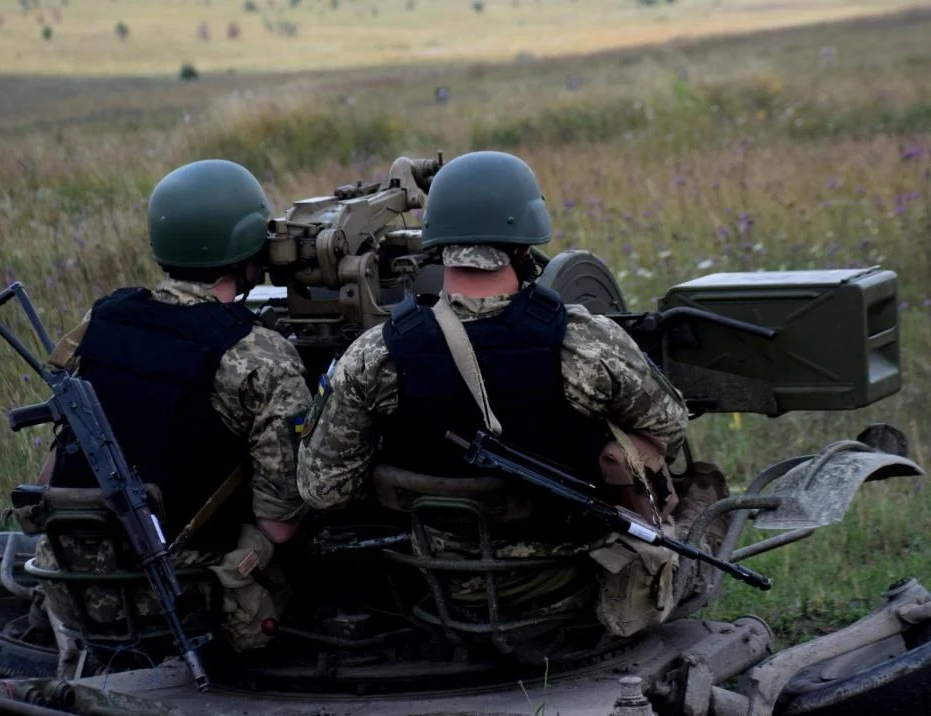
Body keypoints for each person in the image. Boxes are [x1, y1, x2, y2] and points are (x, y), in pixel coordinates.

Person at [296, 150, 696, 639]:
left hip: (434, 579)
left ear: (437, 245)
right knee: (694, 480)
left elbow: (323, 490)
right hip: (567, 572)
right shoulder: (585, 341)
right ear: (525, 248)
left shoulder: (375, 354)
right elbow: (670, 429)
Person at [32, 159, 311, 677]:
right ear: (252, 252)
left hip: (71, 585)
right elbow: (280, 526)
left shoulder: (102, 321)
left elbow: (49, 475)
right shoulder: (258, 355)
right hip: (178, 596)